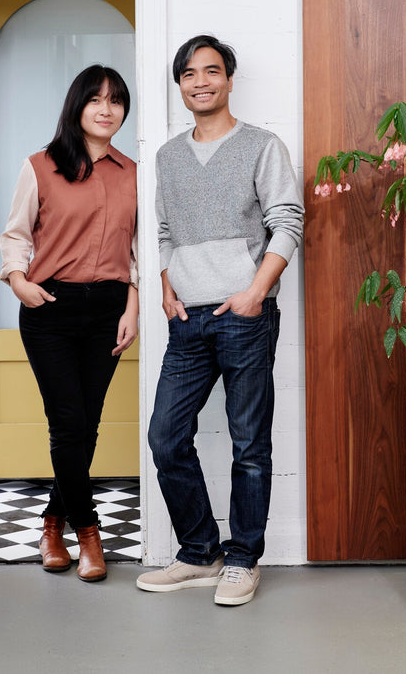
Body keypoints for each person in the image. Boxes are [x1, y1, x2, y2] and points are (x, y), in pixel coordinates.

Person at [136, 35, 303, 606]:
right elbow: (164, 232)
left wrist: (256, 292)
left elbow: (287, 222)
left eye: (211, 71)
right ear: (180, 85)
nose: (200, 81)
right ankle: (200, 550)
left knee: (248, 442)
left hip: (245, 316)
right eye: (188, 74)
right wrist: (165, 288)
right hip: (186, 319)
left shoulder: (261, 146)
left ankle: (242, 558)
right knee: (165, 436)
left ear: (230, 80)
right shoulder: (167, 155)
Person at [0, 64, 139, 583]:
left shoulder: (132, 173)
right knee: (68, 423)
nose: (107, 110)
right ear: (77, 106)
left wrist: (133, 307)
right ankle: (88, 532)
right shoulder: (41, 166)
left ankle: (52, 522)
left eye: (116, 101)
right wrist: (19, 282)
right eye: (96, 100)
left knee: (87, 424)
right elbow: (16, 234)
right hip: (50, 310)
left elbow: (138, 248)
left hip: (108, 309)